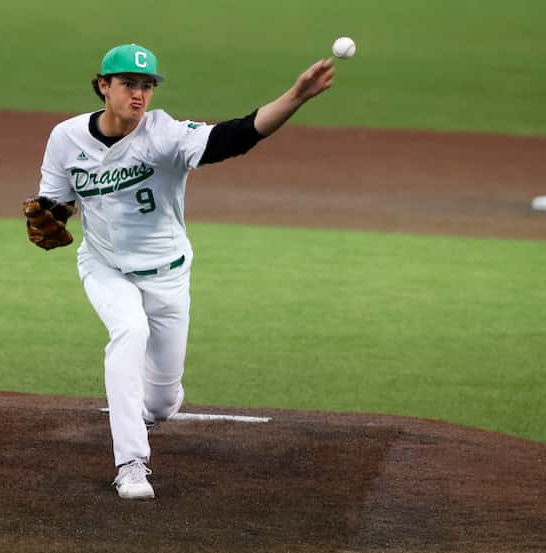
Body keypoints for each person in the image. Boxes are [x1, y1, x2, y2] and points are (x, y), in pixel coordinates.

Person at [27, 43, 334, 499]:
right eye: (128, 84)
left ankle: (144, 410)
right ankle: (131, 464)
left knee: (163, 403)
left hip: (168, 275)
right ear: (102, 86)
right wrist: (53, 214)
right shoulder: (66, 137)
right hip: (105, 266)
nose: (139, 95)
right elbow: (57, 199)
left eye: (146, 85)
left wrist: (295, 96)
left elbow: (235, 136)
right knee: (128, 332)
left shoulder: (165, 134)